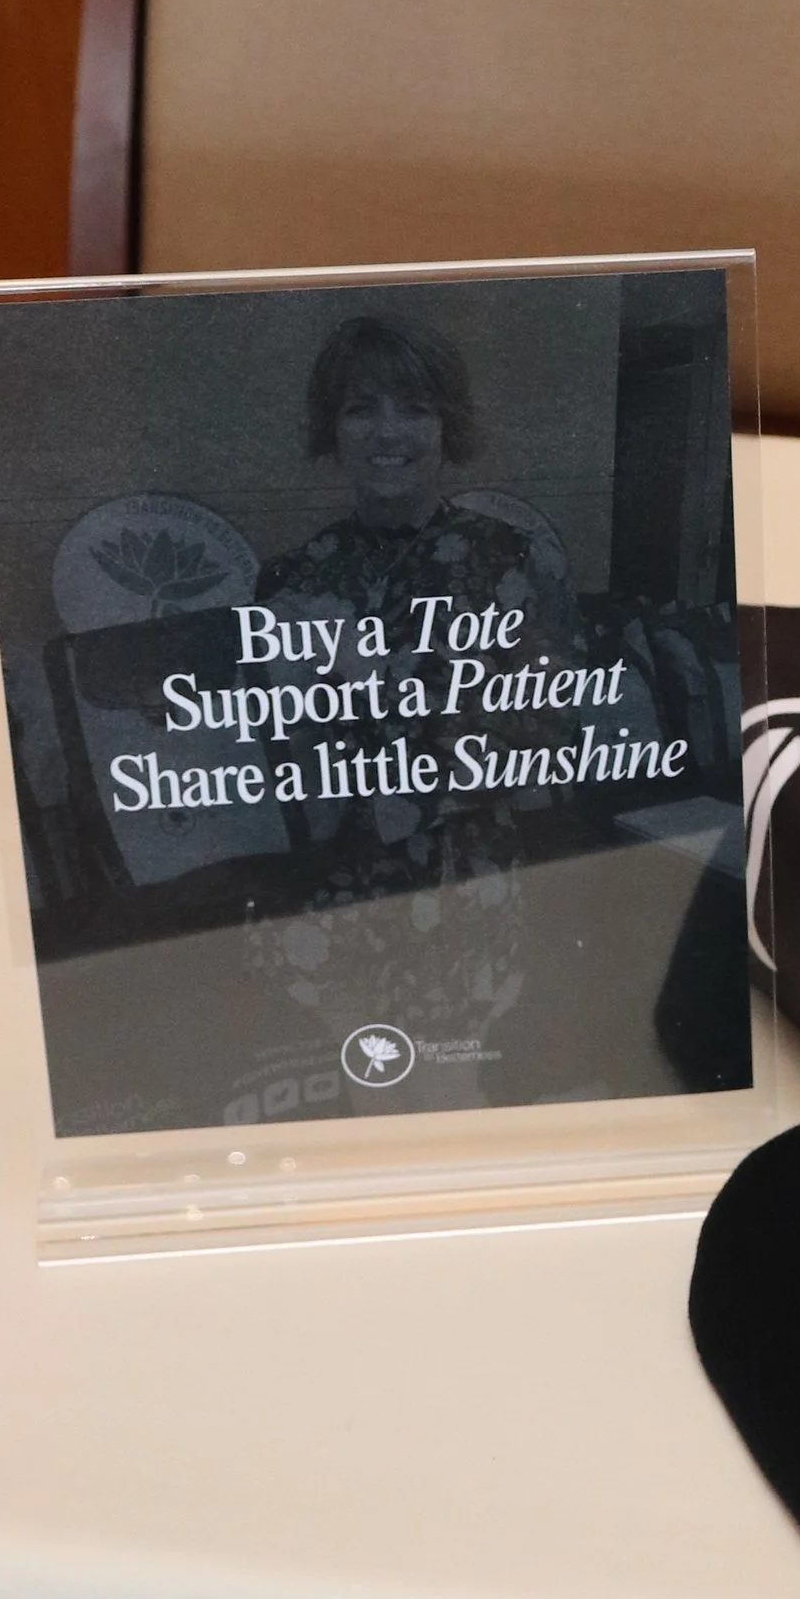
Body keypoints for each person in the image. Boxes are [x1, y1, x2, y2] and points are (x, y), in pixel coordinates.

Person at [249, 313, 575, 1093]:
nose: (386, 431)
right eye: (361, 408)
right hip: (330, 905)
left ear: (447, 425)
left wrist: (383, 683)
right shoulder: (292, 580)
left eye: (414, 407)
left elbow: (552, 745)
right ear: (331, 426)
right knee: (352, 1100)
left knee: (448, 1096)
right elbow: (266, 773)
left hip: (462, 893)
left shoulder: (512, 562)